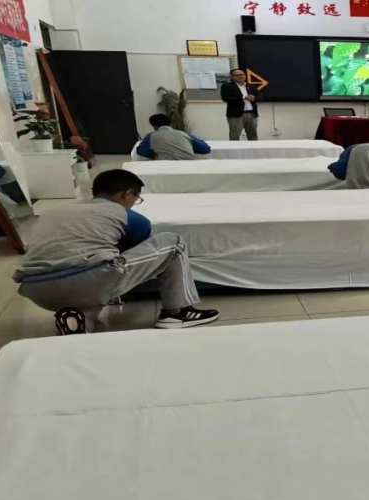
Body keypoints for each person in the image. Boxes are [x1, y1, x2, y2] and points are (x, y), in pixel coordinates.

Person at [13, 170, 219, 333]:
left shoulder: (54, 212)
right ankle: (178, 313)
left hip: (35, 288)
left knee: (92, 283)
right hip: (88, 278)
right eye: (136, 198)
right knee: (173, 243)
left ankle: (81, 320)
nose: (134, 203)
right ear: (127, 194)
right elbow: (137, 252)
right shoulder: (126, 215)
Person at [136, 114, 211, 161]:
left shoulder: (151, 136)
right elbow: (205, 149)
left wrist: (152, 153)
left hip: (166, 166)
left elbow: (141, 152)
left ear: (154, 126)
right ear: (170, 124)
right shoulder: (184, 134)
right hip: (191, 164)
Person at [220, 69, 259, 141]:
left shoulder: (251, 86)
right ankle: (234, 149)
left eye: (242, 74)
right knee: (234, 136)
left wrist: (254, 97)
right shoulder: (227, 86)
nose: (240, 76)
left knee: (253, 137)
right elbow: (226, 98)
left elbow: (261, 96)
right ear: (232, 77)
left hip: (251, 114)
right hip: (236, 115)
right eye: (237, 75)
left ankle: (253, 148)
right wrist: (243, 98)